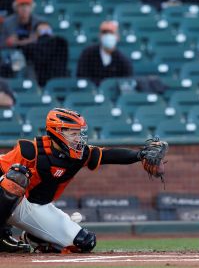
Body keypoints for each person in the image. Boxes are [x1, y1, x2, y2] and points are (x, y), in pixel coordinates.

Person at [0, 108, 168, 253]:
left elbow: (108, 155)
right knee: (16, 175)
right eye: (73, 133)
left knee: (85, 242)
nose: (78, 138)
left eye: (79, 133)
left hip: (35, 207)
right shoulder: (30, 150)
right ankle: (2, 235)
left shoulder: (81, 154)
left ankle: (34, 238)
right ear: (58, 132)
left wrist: (140, 155)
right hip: (13, 200)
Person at [76, 21, 132, 86]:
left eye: (111, 33)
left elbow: (127, 84)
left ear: (117, 36)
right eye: (104, 32)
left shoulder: (123, 60)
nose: (108, 35)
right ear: (99, 35)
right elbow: (81, 79)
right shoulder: (87, 55)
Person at [22, 21, 68, 87]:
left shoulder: (61, 44)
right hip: (39, 83)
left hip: (59, 84)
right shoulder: (30, 48)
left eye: (48, 31)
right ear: (35, 34)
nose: (45, 34)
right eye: (42, 31)